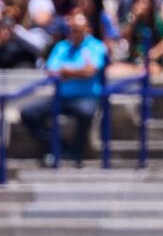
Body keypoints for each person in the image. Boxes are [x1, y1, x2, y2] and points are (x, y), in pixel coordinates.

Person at [20, 12, 107, 167]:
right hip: (61, 98)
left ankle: (76, 151)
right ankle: (59, 146)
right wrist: (78, 71)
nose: (75, 34)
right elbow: (51, 71)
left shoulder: (96, 46)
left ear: (87, 30)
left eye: (78, 30)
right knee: (28, 113)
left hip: (86, 98)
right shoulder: (61, 47)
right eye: (72, 30)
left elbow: (90, 71)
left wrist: (66, 71)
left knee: (86, 112)